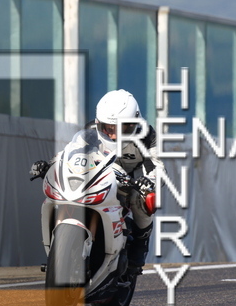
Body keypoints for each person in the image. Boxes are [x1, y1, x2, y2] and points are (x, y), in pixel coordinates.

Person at [30, 89, 165, 274]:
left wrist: (149, 180)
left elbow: (158, 165)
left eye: (122, 128)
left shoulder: (148, 136)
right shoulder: (90, 130)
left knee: (143, 199)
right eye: (109, 128)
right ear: (99, 123)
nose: (114, 135)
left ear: (134, 122)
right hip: (97, 175)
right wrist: (50, 164)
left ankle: (140, 245)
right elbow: (70, 152)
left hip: (130, 179)